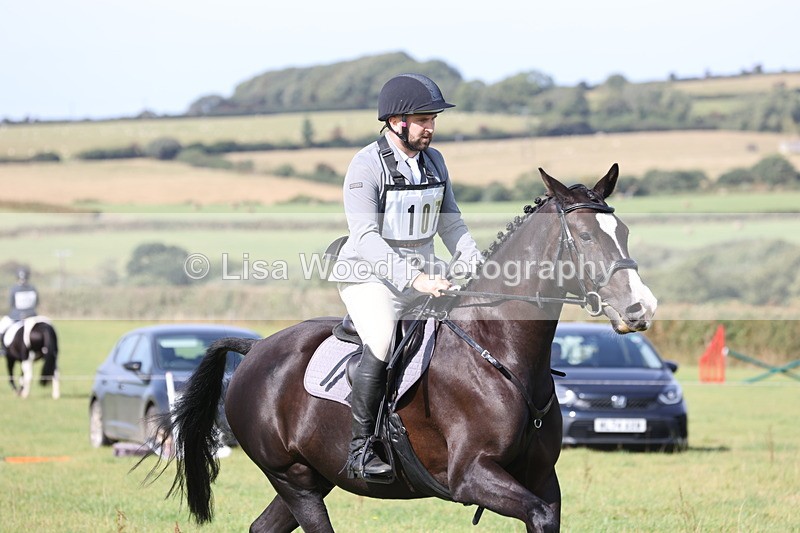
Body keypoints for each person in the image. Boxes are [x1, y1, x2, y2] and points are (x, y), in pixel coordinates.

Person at [330, 73, 483, 479]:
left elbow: (451, 222)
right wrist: (415, 280)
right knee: (381, 341)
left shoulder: (434, 161)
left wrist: (473, 259)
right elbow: (365, 238)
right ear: (397, 121)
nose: (430, 127)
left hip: (425, 271)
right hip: (368, 275)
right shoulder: (365, 166)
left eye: (433, 119)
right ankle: (361, 448)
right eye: (423, 120)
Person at [0, 267, 40, 343]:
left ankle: (3, 348)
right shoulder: (33, 288)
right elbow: (37, 302)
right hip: (32, 315)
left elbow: (11, 304)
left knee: (1, 327)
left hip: (16, 316)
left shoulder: (14, 288)